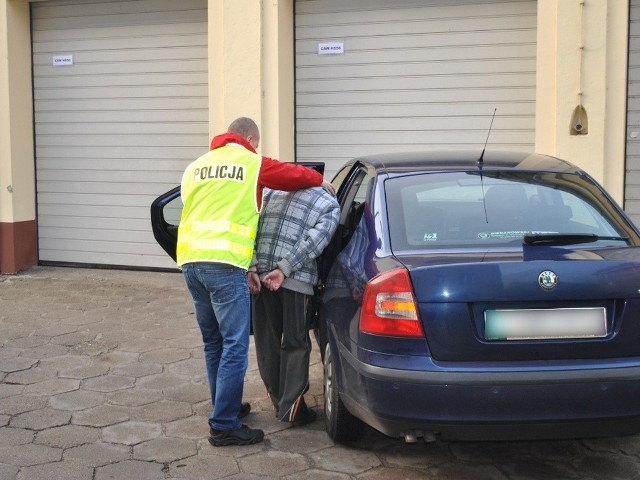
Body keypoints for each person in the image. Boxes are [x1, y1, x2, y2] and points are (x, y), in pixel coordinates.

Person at [177, 117, 334, 447]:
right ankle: (223, 424)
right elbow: (293, 175)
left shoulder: (195, 167)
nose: (257, 149)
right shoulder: (250, 163)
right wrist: (321, 180)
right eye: (257, 143)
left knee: (213, 342)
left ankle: (226, 405)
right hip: (224, 265)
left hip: (190, 263)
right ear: (249, 138)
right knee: (234, 344)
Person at [250, 185, 340, 426]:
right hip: (295, 282)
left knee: (266, 341)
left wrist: (252, 265)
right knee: (295, 343)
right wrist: (285, 268)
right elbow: (314, 242)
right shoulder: (328, 203)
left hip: (261, 278)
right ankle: (292, 409)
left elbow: (248, 227)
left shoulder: (269, 193)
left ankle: (279, 400)